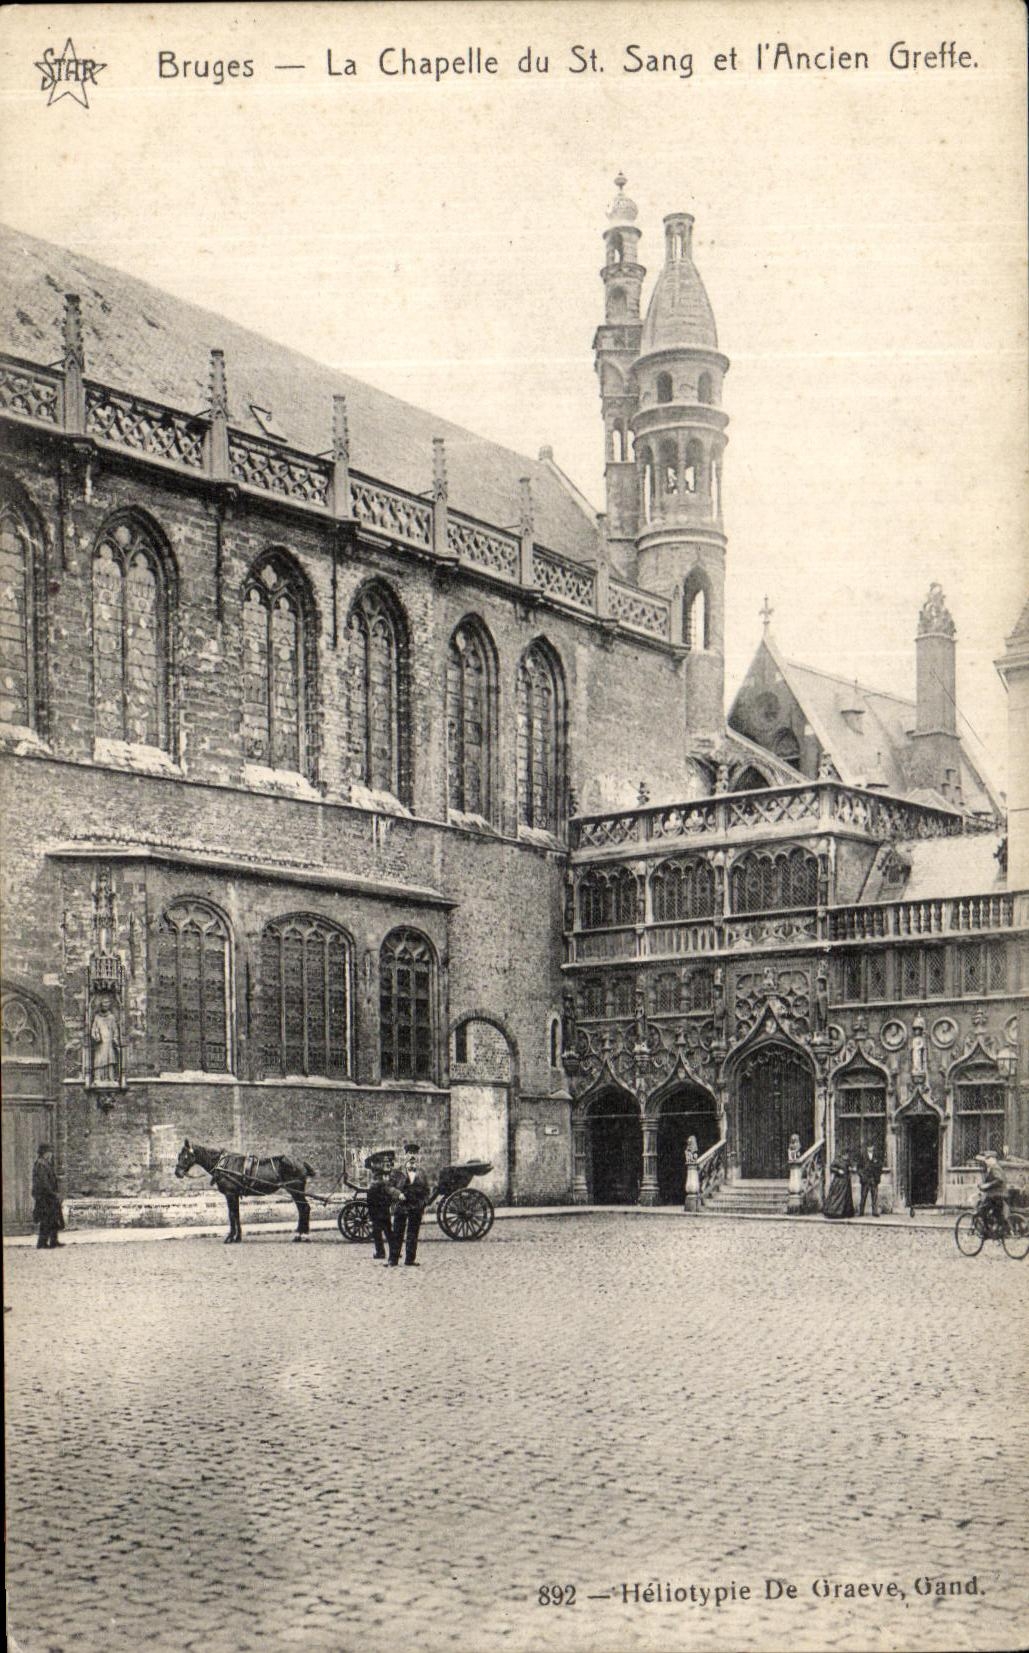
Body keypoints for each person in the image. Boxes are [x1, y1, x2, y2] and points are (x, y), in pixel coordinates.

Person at [387, 1143, 432, 1267]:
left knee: (413, 1234)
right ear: (405, 1155)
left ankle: (410, 1260)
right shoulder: (397, 1172)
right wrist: (398, 1194)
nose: (412, 1156)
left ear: (418, 1156)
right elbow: (389, 1187)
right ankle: (393, 1260)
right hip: (401, 1206)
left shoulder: (422, 1172)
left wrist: (423, 1203)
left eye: (415, 1153)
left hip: (416, 1206)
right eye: (410, 1153)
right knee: (397, 1233)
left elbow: (427, 1190)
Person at [364, 1150, 397, 1261]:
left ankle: (381, 1252)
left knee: (379, 1230)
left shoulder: (379, 1176)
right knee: (387, 1229)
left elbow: (367, 1163)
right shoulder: (385, 1174)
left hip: (377, 1204)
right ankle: (393, 1251)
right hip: (382, 1204)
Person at [31, 1143, 63, 1249]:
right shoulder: (41, 1164)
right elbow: (44, 1182)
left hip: (49, 1195)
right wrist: (53, 1193)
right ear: (45, 1153)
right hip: (45, 1196)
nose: (51, 1154)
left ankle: (54, 1241)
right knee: (46, 1219)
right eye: (49, 1152)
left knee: (54, 1218)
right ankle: (42, 1243)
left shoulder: (45, 1163)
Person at [976, 1153, 1009, 1237]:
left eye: (988, 1159)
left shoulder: (995, 1168)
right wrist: (984, 1186)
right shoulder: (996, 1168)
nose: (986, 1161)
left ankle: (986, 1231)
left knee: (981, 1209)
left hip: (995, 1195)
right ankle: (999, 1231)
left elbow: (999, 1180)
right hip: (1000, 1194)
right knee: (996, 1214)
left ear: (993, 1159)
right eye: (986, 1159)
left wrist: (987, 1185)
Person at [823, 1153, 854, 1220]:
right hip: (839, 1181)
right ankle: (833, 1212)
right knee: (837, 1196)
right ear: (842, 1155)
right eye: (845, 1155)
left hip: (846, 1181)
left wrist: (850, 1169)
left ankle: (845, 1212)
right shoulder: (837, 1160)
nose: (846, 1156)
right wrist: (838, 1171)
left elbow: (850, 1167)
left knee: (846, 1198)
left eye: (847, 1155)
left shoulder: (847, 1161)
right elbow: (831, 1168)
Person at [856, 1142, 884, 1216]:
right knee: (863, 1196)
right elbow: (858, 1168)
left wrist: (877, 1175)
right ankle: (861, 1212)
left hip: (874, 1179)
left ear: (873, 1147)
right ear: (867, 1148)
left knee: (874, 1196)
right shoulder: (863, 1156)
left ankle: (875, 1212)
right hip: (865, 1179)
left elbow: (880, 1166)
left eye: (871, 1147)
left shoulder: (877, 1155)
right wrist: (862, 1176)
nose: (870, 1148)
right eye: (869, 1147)